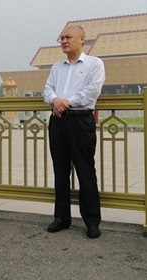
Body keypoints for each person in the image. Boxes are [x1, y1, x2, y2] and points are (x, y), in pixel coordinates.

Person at [43, 25, 105, 238]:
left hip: (80, 121)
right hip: (58, 121)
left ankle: (92, 221)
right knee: (60, 171)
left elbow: (92, 91)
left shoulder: (94, 64)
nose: (63, 41)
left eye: (68, 37)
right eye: (61, 38)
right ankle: (61, 217)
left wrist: (65, 103)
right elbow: (48, 90)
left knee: (85, 170)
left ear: (82, 39)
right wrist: (55, 100)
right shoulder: (56, 67)